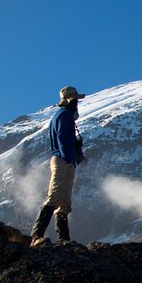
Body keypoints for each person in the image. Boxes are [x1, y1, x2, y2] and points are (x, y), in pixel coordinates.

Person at [30, 86, 86, 247]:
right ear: (71, 100)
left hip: (65, 160)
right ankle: (36, 236)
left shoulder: (61, 115)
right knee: (55, 196)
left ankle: (63, 239)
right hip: (63, 160)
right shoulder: (65, 116)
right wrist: (69, 156)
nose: (77, 103)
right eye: (76, 100)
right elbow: (62, 137)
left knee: (65, 200)